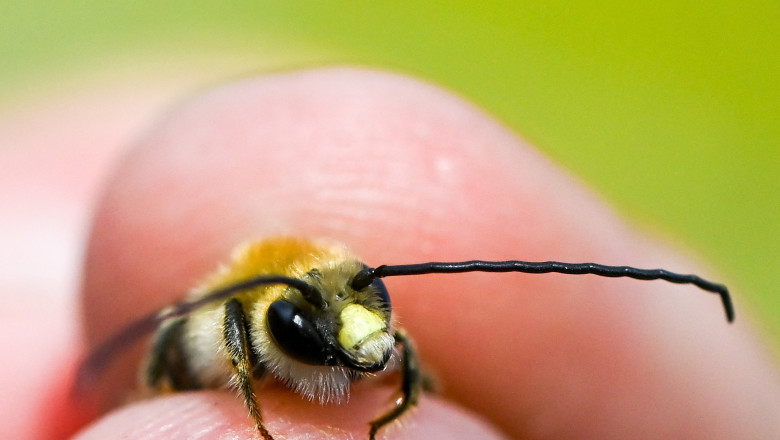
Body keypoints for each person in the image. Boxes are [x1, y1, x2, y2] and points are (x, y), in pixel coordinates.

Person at [70, 68, 779, 439]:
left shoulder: (359, 307)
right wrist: (254, 422)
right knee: (174, 326)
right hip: (201, 376)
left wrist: (392, 406)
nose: (363, 332)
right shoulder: (250, 314)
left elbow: (398, 351)